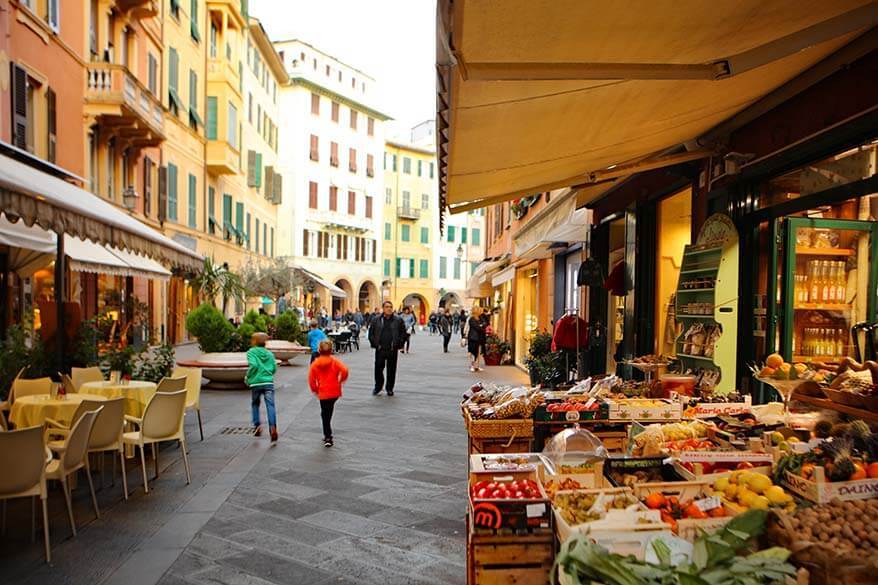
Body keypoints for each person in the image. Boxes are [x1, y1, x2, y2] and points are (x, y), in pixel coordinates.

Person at [308, 340, 349, 447]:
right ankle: (327, 433)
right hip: (334, 391)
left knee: (324, 414)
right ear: (331, 350)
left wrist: (315, 389)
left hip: (323, 391)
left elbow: (311, 379)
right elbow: (344, 370)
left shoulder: (315, 364)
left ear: (319, 350)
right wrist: (340, 381)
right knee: (328, 411)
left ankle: (328, 436)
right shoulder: (334, 361)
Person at [246, 332, 279, 442]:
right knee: (270, 405)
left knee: (255, 403)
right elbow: (274, 368)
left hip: (256, 383)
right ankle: (273, 427)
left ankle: (257, 426)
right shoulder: (269, 354)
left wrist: (248, 377)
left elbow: (254, 365)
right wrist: (268, 374)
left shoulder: (251, 352)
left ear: (254, 341)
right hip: (268, 382)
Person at [368, 300, 404, 396]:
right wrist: (375, 344)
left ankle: (389, 388)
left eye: (390, 307)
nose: (389, 309)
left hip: (392, 349)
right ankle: (378, 387)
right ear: (383, 308)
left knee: (391, 370)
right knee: (378, 369)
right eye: (387, 307)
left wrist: (399, 344)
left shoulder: (398, 320)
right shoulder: (376, 320)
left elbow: (403, 333)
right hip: (380, 349)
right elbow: (371, 333)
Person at [465, 307, 487, 372]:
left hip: (479, 338)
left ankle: (477, 366)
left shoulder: (480, 318)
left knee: (478, 352)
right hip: (473, 338)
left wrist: (481, 326)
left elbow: (485, 324)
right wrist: (481, 326)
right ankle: (472, 365)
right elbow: (477, 327)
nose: (480, 312)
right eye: (479, 310)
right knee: (472, 352)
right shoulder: (472, 319)